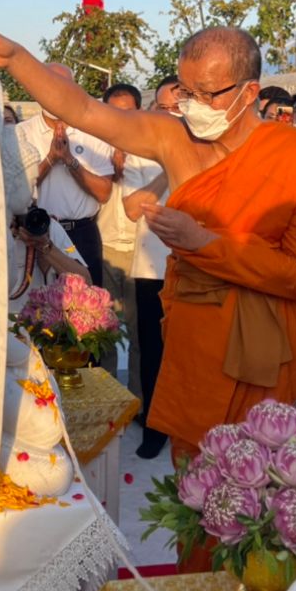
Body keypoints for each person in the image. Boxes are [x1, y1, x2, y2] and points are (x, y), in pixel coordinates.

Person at [0, 25, 296, 473]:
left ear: (249, 91)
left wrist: (204, 242)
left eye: (208, 94)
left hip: (271, 355)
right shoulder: (173, 138)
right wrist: (16, 59)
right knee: (198, 484)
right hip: (198, 346)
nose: (193, 107)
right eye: (186, 92)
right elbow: (84, 109)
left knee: (264, 490)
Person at [121, 76, 179, 459]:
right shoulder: (140, 153)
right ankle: (156, 426)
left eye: (180, 108)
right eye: (164, 109)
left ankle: (191, 420)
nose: (173, 116)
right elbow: (131, 208)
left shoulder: (217, 148)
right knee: (154, 351)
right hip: (152, 265)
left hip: (203, 265)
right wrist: (170, 165)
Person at [15, 64, 113, 287]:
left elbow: (104, 192)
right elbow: (15, 190)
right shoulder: (21, 133)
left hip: (82, 233)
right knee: (39, 310)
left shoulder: (93, 132)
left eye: (63, 87)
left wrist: (69, 160)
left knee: (87, 310)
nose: (56, 94)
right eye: (49, 86)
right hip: (37, 233)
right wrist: (50, 159)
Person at [97, 83, 143, 392]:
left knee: (141, 335)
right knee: (103, 334)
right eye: (114, 112)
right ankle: (109, 404)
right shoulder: (93, 147)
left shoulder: (151, 151)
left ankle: (141, 402)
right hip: (104, 249)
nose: (121, 119)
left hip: (142, 254)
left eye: (128, 112)